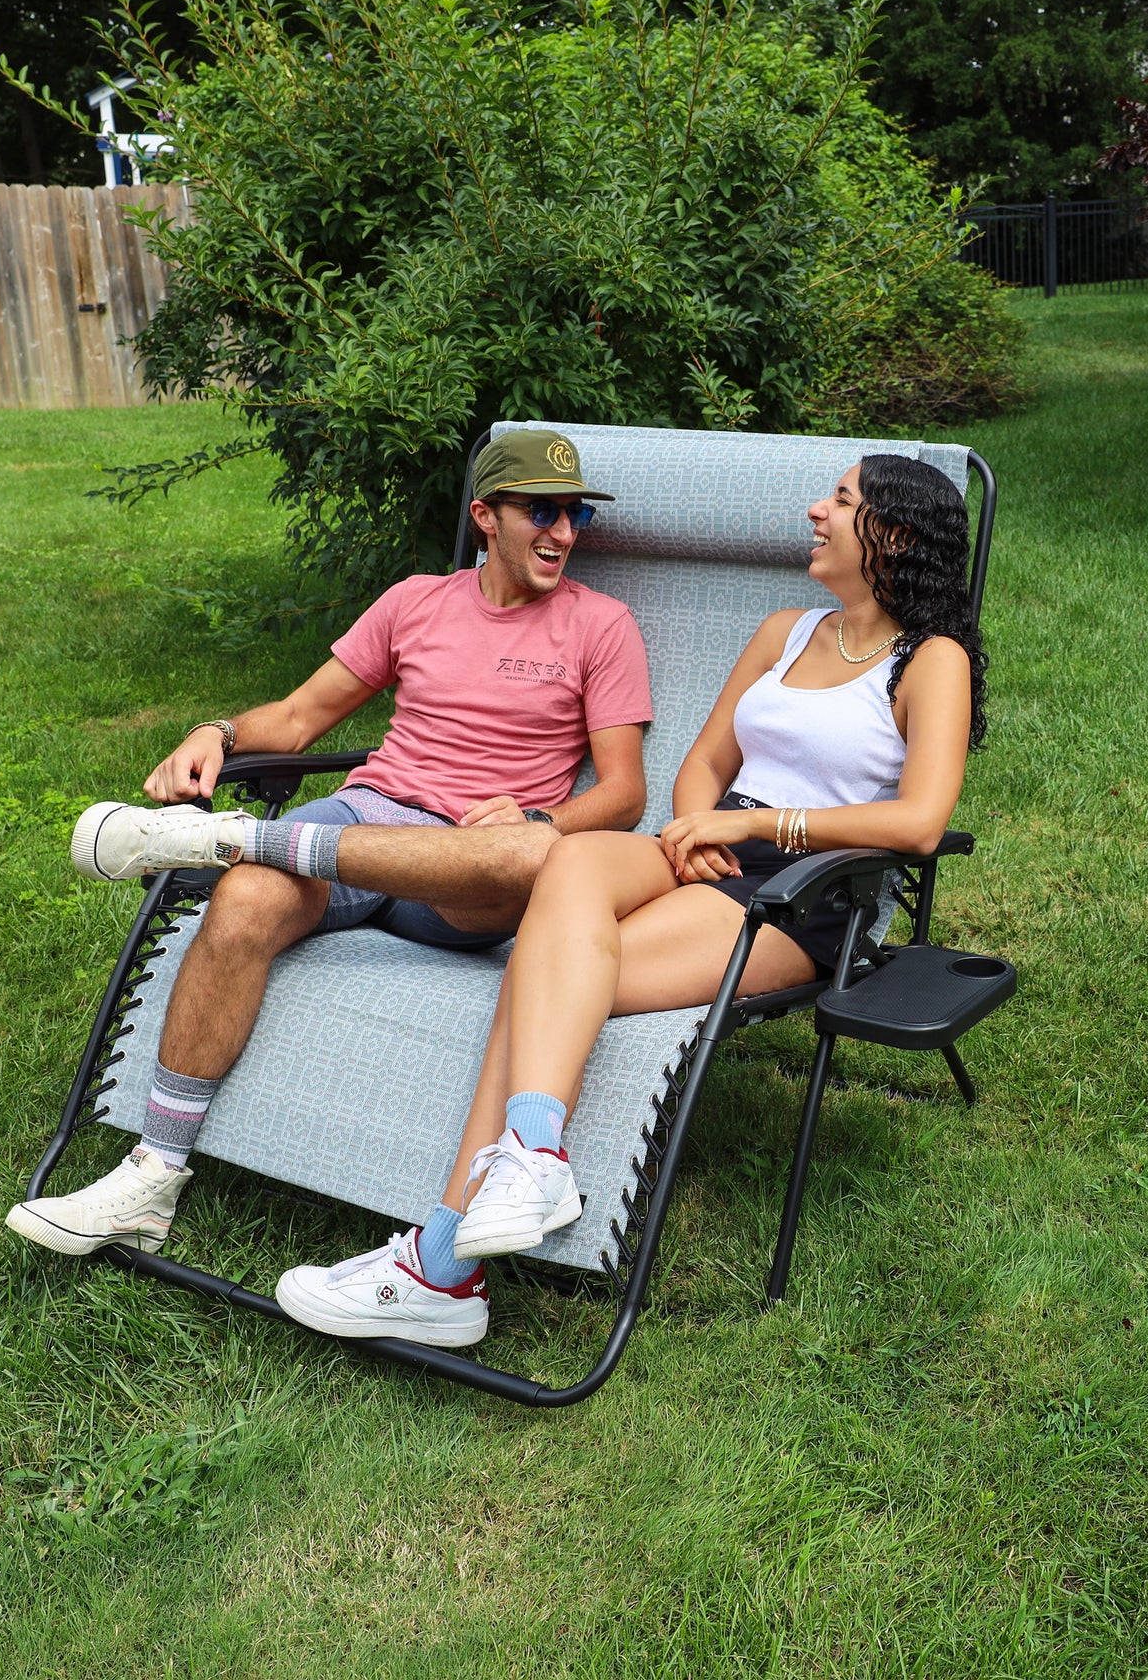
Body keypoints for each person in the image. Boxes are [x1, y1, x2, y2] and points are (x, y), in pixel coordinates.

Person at [272, 454, 988, 1348]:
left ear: (892, 534)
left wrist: (763, 830)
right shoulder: (785, 633)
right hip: (709, 850)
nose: (814, 510)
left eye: (838, 501)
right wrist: (696, 830)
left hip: (803, 893)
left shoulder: (932, 662)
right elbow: (703, 764)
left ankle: (444, 1265)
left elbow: (921, 822)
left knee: (545, 974)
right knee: (562, 871)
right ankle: (533, 1155)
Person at [5, 429, 652, 1259]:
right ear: (486, 516)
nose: (563, 532)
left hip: (469, 864)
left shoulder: (602, 625)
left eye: (574, 515)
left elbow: (625, 793)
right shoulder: (416, 600)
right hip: (366, 815)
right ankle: (153, 1176)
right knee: (244, 900)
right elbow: (303, 717)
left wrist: (543, 822)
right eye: (542, 511)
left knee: (529, 857)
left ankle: (241, 840)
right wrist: (220, 731)